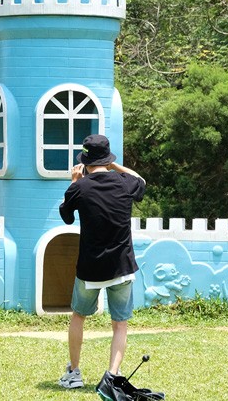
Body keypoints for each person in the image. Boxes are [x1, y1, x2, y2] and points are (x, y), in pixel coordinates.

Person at [56, 134, 146, 394]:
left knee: (79, 316)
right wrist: (116, 166)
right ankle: (112, 377)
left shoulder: (79, 187)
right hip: (122, 267)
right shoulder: (124, 182)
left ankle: (74, 373)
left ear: (84, 161)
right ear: (107, 158)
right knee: (119, 324)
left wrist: (74, 182)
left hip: (90, 270)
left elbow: (66, 217)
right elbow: (141, 180)